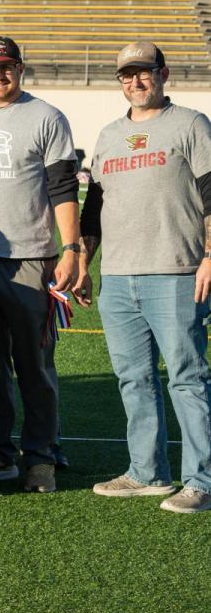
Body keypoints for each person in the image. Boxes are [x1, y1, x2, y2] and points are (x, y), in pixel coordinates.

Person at [78, 41, 211, 513]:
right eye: (126, 75)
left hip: (176, 271)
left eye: (143, 73)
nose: (135, 82)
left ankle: (201, 480)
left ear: (163, 73)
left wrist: (210, 255)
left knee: (187, 378)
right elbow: (94, 206)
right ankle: (147, 472)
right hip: (117, 274)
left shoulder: (191, 124)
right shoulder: (110, 134)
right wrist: (81, 258)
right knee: (133, 378)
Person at [0, 36, 83, 493]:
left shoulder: (47, 117)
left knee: (35, 367)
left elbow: (64, 188)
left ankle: (41, 457)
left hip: (32, 260)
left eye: (6, 67)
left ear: (20, 69)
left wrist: (72, 250)